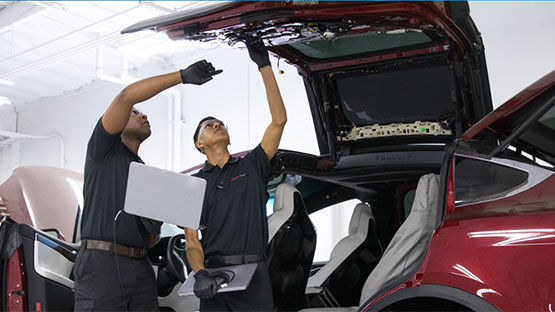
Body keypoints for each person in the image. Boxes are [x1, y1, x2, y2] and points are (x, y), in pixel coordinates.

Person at [74, 60, 222, 311]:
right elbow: (126, 97)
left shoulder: (144, 173)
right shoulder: (103, 151)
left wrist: (154, 228)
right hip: (102, 265)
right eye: (136, 113)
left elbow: (152, 238)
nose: (143, 115)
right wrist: (182, 77)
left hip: (141, 265)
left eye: (143, 112)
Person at [185, 38, 287, 311]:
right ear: (199, 144)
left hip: (254, 275)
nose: (217, 124)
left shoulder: (252, 165)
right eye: (208, 125)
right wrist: (199, 273)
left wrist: (264, 65)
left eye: (220, 123)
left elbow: (279, 120)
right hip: (214, 280)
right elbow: (192, 240)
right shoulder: (193, 184)